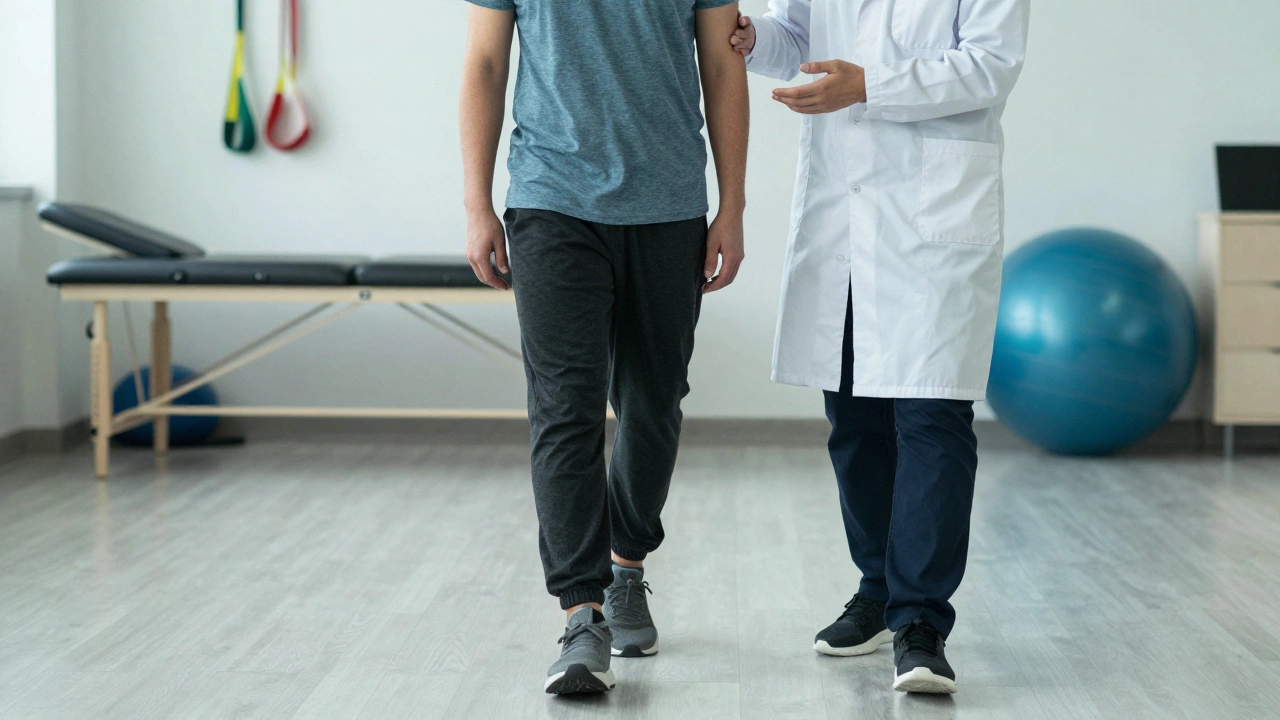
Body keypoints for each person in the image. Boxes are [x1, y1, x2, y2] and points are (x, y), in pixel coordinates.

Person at [731, 0, 1028, 695]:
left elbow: (992, 64)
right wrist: (754, 39)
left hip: (936, 216)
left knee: (931, 420)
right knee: (856, 421)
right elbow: (797, 38)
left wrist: (868, 85)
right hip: (847, 212)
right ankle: (878, 589)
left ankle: (921, 620)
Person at [459, 0, 749, 696]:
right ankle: (581, 614)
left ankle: (627, 569)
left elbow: (720, 60)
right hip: (552, 199)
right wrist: (477, 204)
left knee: (653, 404)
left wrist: (732, 205)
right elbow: (486, 61)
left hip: (669, 204)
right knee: (567, 407)